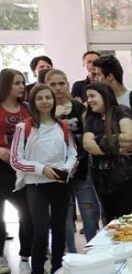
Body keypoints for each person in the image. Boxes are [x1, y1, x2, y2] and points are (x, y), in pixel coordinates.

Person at [10, 84, 77, 274]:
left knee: (59, 228)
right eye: (40, 98)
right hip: (36, 184)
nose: (45, 101)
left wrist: (66, 169)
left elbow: (73, 153)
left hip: (60, 184)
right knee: (40, 230)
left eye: (48, 97)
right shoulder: (24, 128)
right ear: (33, 102)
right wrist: (42, 169)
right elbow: (16, 159)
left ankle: (57, 269)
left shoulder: (63, 127)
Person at [44, 69, 100, 252]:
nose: (58, 88)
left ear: (68, 84)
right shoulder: (44, 110)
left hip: (82, 168)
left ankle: (95, 252)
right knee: (64, 217)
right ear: (46, 86)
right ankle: (68, 256)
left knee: (89, 213)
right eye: (53, 84)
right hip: (57, 171)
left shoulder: (79, 108)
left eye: (62, 83)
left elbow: (89, 135)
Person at [83, 82, 132, 223]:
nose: (88, 100)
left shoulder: (121, 111)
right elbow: (88, 145)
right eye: (87, 97)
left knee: (128, 220)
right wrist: (117, 150)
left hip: (130, 176)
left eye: (92, 96)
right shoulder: (91, 118)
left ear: (105, 95)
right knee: (110, 221)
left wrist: (98, 138)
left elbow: (129, 137)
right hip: (103, 178)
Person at [0, 69, 34, 274]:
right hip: (0, 167)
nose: (23, 86)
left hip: (20, 169)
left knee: (27, 213)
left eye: (23, 82)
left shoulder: (27, 109)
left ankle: (25, 258)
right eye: (17, 83)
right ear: (5, 85)